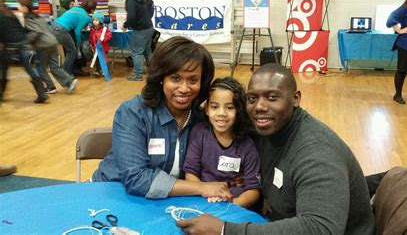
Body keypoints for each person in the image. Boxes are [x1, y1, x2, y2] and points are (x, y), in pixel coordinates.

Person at [177, 64, 375, 234]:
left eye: (272, 97)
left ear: (296, 98)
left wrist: (224, 230)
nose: (260, 106)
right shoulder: (263, 128)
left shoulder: (317, 152)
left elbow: (320, 228)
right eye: (252, 98)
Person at [92, 36, 232, 201]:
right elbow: (136, 179)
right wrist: (201, 187)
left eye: (193, 80)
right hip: (113, 196)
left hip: (164, 202)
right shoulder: (133, 112)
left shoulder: (202, 119)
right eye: (175, 78)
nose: (184, 88)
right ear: (161, 78)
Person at [183, 77, 261, 208]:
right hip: (202, 201)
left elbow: (253, 190)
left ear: (239, 110)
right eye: (214, 107)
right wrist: (203, 191)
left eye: (229, 107)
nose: (221, 113)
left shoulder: (247, 145)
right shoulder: (199, 133)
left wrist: (232, 205)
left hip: (234, 206)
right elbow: (190, 173)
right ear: (207, 109)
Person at [18, 0, 78, 94]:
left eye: (19, 6)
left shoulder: (29, 19)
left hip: (43, 45)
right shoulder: (38, 17)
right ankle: (70, 81)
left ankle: (50, 86)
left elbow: (35, 32)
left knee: (40, 67)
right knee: (54, 66)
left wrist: (26, 42)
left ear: (25, 7)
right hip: (52, 42)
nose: (18, 8)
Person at [0, 0, 48, 103]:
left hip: (10, 47)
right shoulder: (10, 14)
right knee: (30, 69)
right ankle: (42, 93)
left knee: (2, 69)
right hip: (25, 44)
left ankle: (1, 94)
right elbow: (21, 30)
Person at [116, 0, 155, 81]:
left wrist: (125, 25)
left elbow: (132, 17)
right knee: (147, 51)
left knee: (136, 53)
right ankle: (154, 72)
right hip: (149, 27)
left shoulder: (130, 1)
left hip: (140, 29)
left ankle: (137, 74)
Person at [51, 0, 96, 76]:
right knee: (72, 51)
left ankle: (69, 71)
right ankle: (65, 73)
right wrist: (79, 44)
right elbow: (77, 32)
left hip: (54, 26)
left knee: (69, 51)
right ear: (92, 9)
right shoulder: (86, 17)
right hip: (62, 29)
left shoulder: (76, 8)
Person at [89, 12, 112, 77]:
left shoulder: (104, 29)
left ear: (100, 21)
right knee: (97, 59)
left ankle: (106, 70)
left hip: (103, 47)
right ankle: (97, 71)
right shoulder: (93, 29)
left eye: (96, 20)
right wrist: (91, 43)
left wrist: (103, 38)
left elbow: (109, 35)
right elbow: (91, 37)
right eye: (94, 20)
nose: (95, 22)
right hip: (96, 47)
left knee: (104, 59)